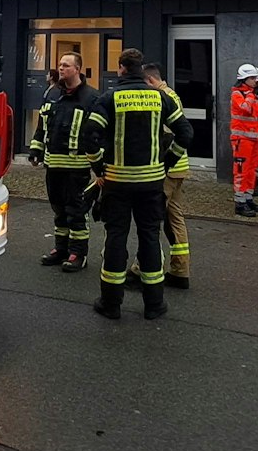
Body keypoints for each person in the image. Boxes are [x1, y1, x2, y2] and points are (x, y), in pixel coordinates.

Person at [82, 49, 191, 321]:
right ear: (141, 69)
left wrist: (99, 170)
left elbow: (89, 138)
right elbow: (185, 133)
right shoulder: (161, 98)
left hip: (117, 183)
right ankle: (154, 305)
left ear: (121, 69)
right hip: (151, 184)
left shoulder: (110, 98)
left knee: (116, 237)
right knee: (150, 238)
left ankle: (111, 303)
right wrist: (166, 162)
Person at [28, 54, 98, 272]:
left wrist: (98, 165)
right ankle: (61, 249)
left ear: (77, 69)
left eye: (66, 66)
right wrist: (36, 149)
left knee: (76, 211)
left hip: (77, 167)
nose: (61, 68)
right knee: (58, 209)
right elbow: (42, 125)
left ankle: (78, 253)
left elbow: (97, 134)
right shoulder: (52, 93)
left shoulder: (91, 97)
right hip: (53, 165)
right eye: (59, 65)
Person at [141, 62, 192, 289]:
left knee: (150, 219)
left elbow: (167, 136)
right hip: (179, 167)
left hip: (167, 169)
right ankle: (181, 270)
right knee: (175, 219)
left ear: (150, 81)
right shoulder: (172, 95)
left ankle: (140, 269)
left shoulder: (163, 98)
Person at [228, 64, 258, 217]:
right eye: (252, 78)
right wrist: (252, 96)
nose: (255, 81)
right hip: (242, 139)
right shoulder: (238, 94)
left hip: (254, 139)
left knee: (251, 171)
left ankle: (248, 198)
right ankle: (240, 203)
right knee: (241, 171)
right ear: (244, 79)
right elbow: (245, 108)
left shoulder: (251, 94)